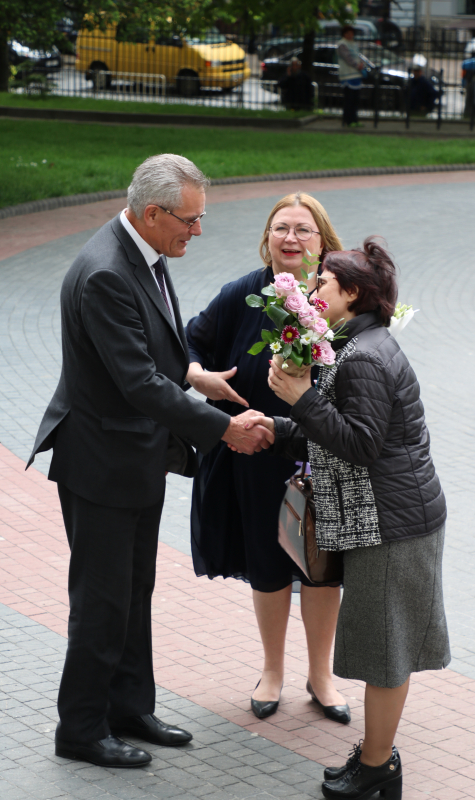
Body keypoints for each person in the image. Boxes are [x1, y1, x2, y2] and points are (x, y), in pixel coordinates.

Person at [26, 154, 273, 769]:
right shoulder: (108, 272)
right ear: (153, 212)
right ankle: (81, 729)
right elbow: (137, 382)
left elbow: (143, 353)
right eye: (189, 220)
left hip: (133, 457)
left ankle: (129, 707)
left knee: (135, 589)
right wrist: (224, 430)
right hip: (102, 464)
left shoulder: (143, 252)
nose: (198, 231)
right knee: (102, 600)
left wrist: (194, 375)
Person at [265, 239, 450, 800]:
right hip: (389, 519)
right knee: (381, 646)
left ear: (352, 293)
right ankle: (375, 759)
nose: (313, 289)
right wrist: (278, 426)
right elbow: (341, 427)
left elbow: (361, 445)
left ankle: (377, 769)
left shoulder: (365, 355)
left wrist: (299, 400)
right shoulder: (356, 343)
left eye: (323, 282)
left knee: (386, 652)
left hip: (395, 527)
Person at [186, 192, 351, 723]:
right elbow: (184, 342)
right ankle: (273, 670)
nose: (291, 239)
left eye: (303, 230)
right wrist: (197, 376)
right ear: (267, 236)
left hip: (326, 455)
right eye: (281, 228)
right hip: (257, 453)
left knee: (323, 569)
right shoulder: (242, 295)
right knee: (267, 560)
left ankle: (321, 674)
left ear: (322, 241)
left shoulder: (341, 298)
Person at [337, 24, 366, 127]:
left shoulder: (354, 44)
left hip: (356, 75)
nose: (350, 35)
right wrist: (357, 65)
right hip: (347, 75)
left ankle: (354, 119)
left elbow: (357, 56)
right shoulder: (342, 44)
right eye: (348, 33)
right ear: (344, 34)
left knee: (355, 100)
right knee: (349, 100)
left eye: (352, 33)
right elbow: (347, 58)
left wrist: (361, 64)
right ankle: (348, 120)